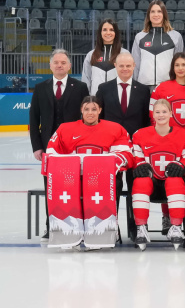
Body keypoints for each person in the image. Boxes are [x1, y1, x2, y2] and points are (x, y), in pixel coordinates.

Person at [42, 96, 134, 249]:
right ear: (81, 110)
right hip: (73, 178)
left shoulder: (115, 129)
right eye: (86, 109)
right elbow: (51, 153)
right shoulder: (65, 129)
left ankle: (103, 230)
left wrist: (107, 165)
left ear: (100, 110)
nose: (90, 113)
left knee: (116, 183)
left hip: (103, 178)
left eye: (94, 109)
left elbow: (126, 155)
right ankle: (68, 229)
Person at [30, 49, 90, 240]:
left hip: (74, 147)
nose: (59, 65)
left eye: (63, 62)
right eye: (56, 62)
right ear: (50, 66)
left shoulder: (80, 87)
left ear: (70, 66)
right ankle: (52, 225)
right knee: (51, 187)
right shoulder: (40, 88)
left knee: (76, 187)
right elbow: (34, 119)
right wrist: (37, 147)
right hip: (49, 147)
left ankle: (77, 224)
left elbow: (86, 118)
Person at [96, 52, 151, 241]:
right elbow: (99, 120)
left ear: (134, 66)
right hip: (113, 150)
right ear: (115, 66)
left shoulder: (143, 90)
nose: (125, 69)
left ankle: (137, 228)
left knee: (137, 188)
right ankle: (113, 227)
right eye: (121, 66)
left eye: (128, 66)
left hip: (135, 149)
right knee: (114, 188)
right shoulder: (103, 89)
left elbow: (146, 121)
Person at [129, 99, 185, 251]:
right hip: (152, 183)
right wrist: (139, 165)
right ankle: (141, 228)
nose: (161, 115)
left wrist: (182, 166)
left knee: (175, 180)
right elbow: (136, 157)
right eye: (157, 112)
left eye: (164, 111)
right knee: (140, 181)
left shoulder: (184, 135)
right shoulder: (140, 135)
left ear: (171, 113)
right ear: (153, 114)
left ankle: (176, 226)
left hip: (171, 184)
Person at [132, 0, 184, 88]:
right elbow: (135, 64)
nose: (156, 15)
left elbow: (180, 63)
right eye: (152, 12)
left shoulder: (176, 36)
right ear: (148, 15)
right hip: (143, 86)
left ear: (164, 14)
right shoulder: (139, 37)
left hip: (167, 86)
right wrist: (134, 85)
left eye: (159, 11)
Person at [81, 18, 129, 93]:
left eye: (111, 30)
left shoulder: (125, 54)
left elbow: (130, 77)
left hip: (117, 99)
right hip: (96, 100)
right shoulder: (91, 55)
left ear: (116, 33)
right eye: (105, 30)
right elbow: (86, 79)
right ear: (100, 32)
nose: (108, 33)